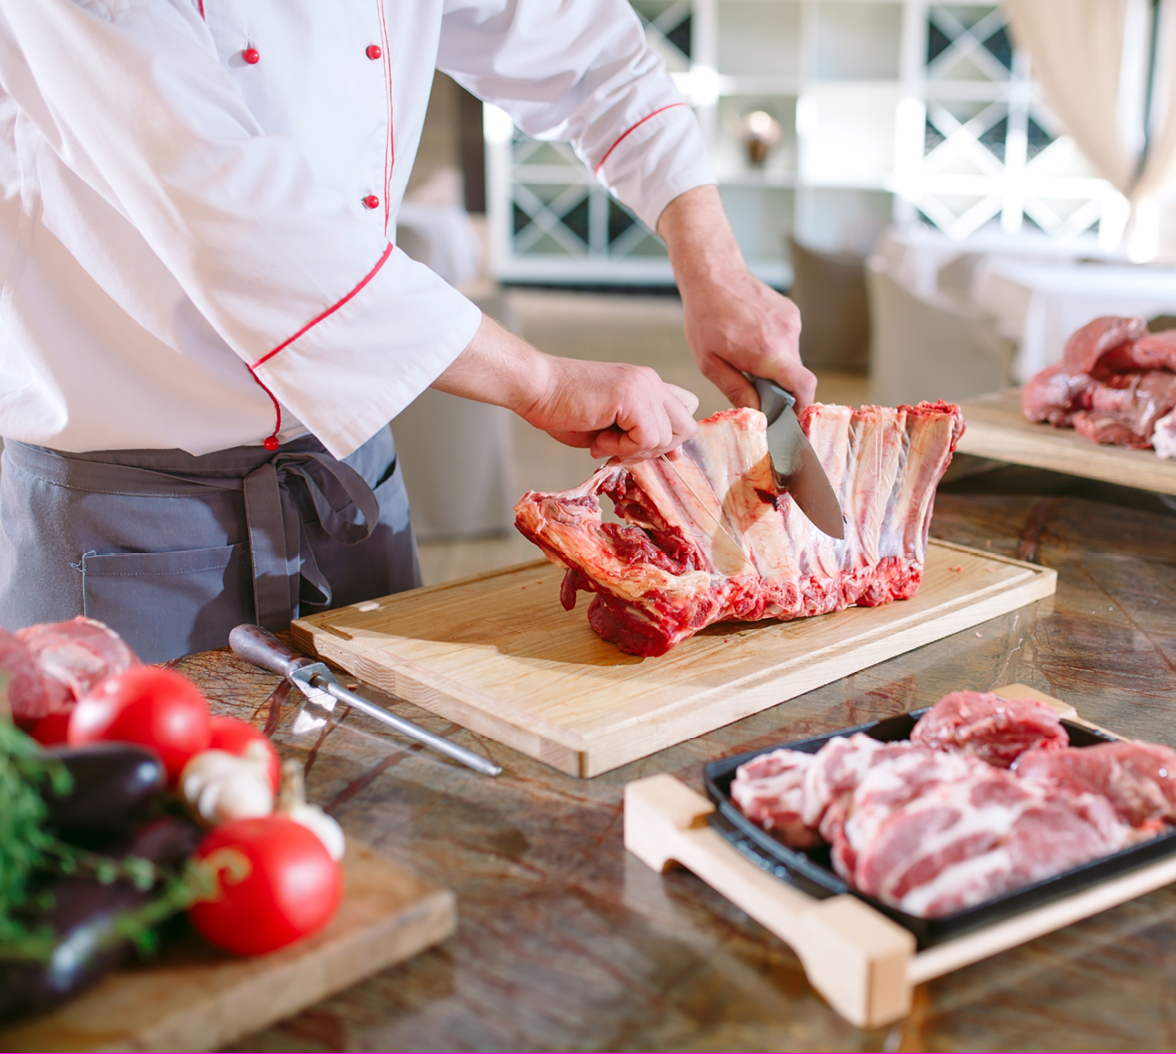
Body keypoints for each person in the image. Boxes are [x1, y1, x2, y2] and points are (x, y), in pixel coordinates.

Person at [0, 0, 814, 663]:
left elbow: (589, 50)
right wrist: (542, 381)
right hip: (127, 529)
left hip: (352, 488)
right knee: (139, 847)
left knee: (393, 818)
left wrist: (716, 266)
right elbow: (230, 210)